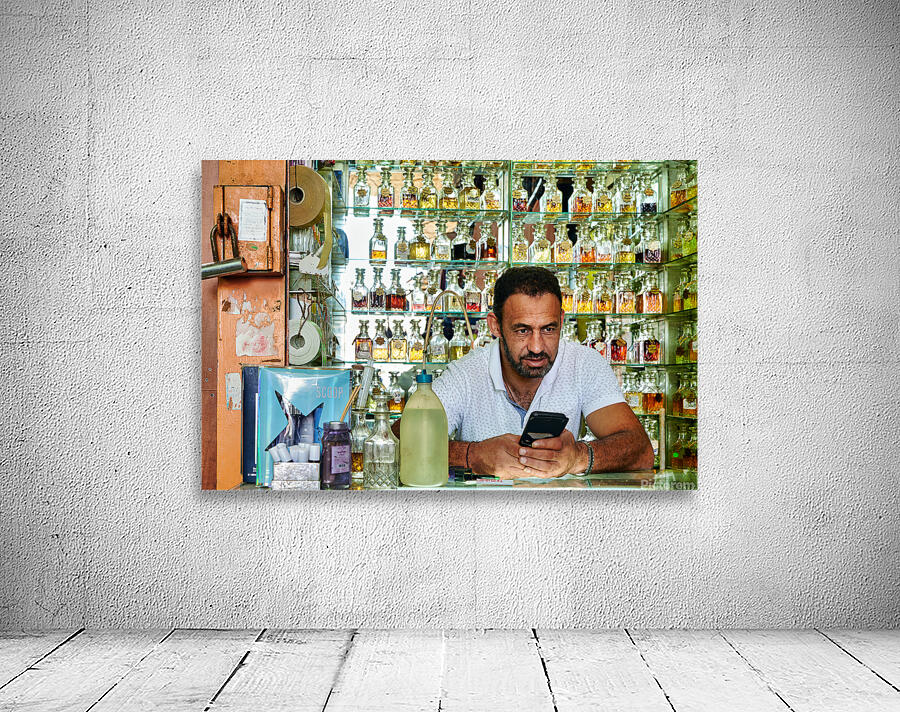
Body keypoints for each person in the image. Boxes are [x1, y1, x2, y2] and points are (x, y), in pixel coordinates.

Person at [396, 266, 653, 479]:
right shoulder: (466, 374)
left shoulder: (584, 364)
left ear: (562, 321)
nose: (537, 347)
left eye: (549, 329)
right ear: (495, 326)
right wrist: (473, 455)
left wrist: (578, 456)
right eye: (522, 330)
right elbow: (398, 443)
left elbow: (641, 452)